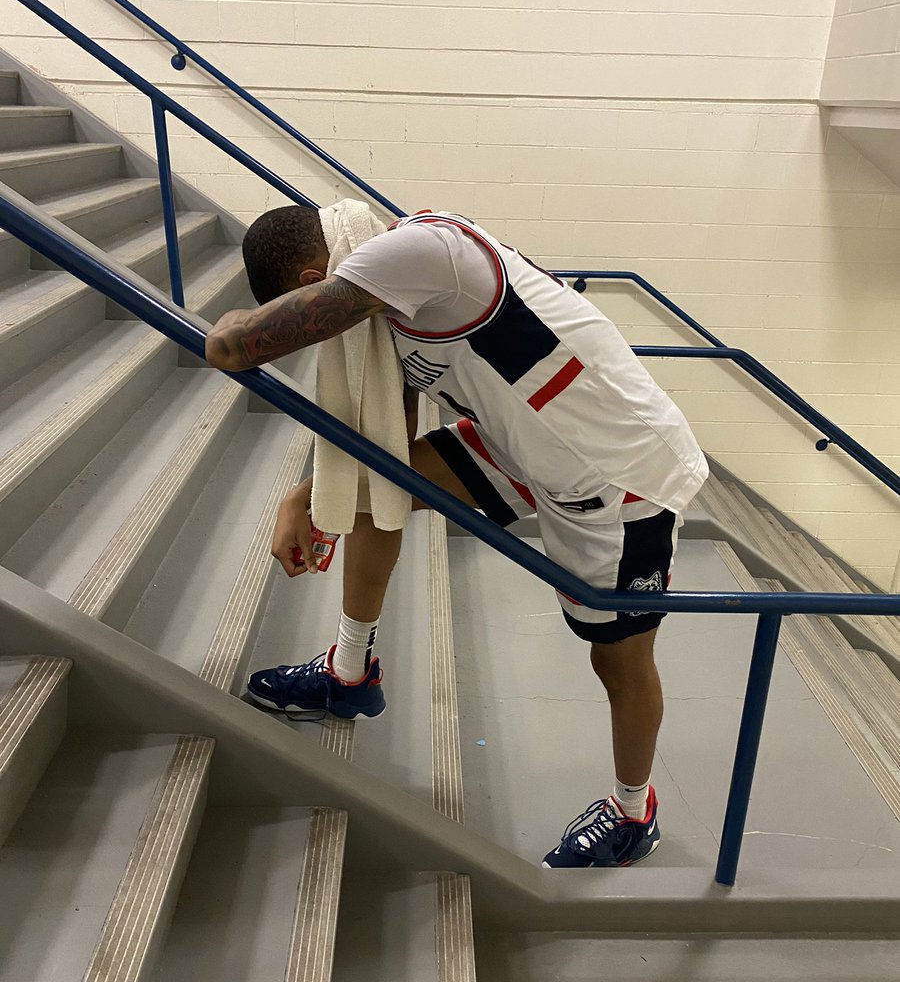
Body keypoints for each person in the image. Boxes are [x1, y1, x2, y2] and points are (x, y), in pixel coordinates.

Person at [205, 205, 708, 869]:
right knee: (367, 496)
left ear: (311, 277)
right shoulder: (392, 286)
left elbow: (232, 346)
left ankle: (633, 811)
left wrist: (225, 325)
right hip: (520, 443)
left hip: (617, 470)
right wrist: (310, 495)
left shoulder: (411, 258)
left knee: (618, 659)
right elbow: (386, 453)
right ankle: (350, 673)